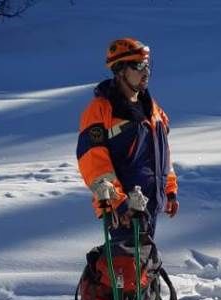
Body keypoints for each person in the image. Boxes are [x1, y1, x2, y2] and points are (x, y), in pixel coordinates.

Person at [76, 38, 178, 240]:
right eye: (138, 66)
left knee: (146, 259)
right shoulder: (100, 110)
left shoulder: (152, 107)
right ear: (120, 70)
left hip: (148, 205)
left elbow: (163, 154)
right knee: (126, 260)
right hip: (124, 212)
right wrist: (119, 204)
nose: (146, 71)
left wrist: (169, 190)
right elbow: (94, 165)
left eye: (147, 65)